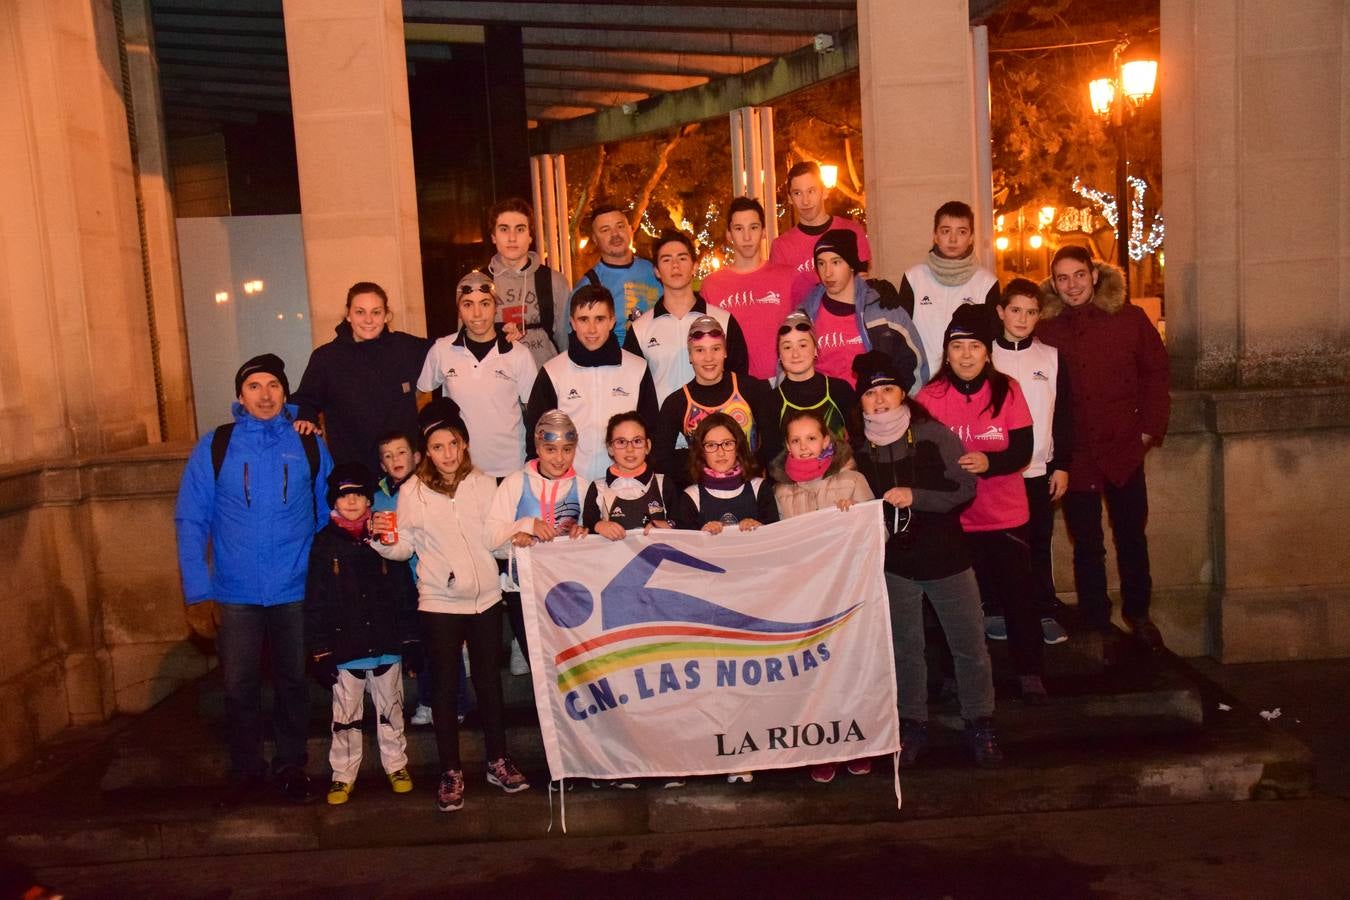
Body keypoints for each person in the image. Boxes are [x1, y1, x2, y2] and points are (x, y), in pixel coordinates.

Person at [174, 353, 333, 806]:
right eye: (254, 387)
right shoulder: (216, 446)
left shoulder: (308, 445)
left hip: (294, 588)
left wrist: (321, 582)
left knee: (292, 683)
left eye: (274, 387)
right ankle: (245, 768)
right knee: (239, 685)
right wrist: (197, 591)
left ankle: (290, 765)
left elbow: (326, 514)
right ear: (240, 396)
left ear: (285, 394)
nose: (265, 395)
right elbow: (191, 519)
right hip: (235, 591)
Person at [372, 398, 531, 812]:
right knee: (443, 691)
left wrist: (525, 530)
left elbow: (494, 536)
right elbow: (405, 545)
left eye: (453, 445)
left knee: (489, 684)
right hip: (440, 602)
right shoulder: (413, 490)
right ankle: (451, 771)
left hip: (486, 600)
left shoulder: (482, 482)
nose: (447, 453)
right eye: (438, 447)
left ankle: (498, 760)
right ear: (428, 451)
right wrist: (383, 542)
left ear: (463, 446)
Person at [850, 351, 1001, 769]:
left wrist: (918, 498)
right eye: (870, 394)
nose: (879, 401)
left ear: (903, 394)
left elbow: (964, 488)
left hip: (947, 560)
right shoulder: (857, 448)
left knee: (969, 646)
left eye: (887, 391)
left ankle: (980, 720)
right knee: (905, 650)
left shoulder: (934, 434)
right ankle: (912, 722)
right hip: (895, 566)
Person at [1037, 246, 1171, 648]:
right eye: (1062, 278)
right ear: (1053, 284)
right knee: (1087, 543)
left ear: (1094, 275)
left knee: (1132, 535)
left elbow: (1156, 374)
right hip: (1075, 455)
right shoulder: (1047, 329)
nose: (1072, 285)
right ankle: (1096, 620)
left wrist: (1148, 432)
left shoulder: (1129, 319)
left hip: (1123, 449)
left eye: (1079, 275)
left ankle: (1139, 614)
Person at [917, 305, 1046, 702]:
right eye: (958, 347)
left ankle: (1029, 671)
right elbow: (920, 458)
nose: (967, 355)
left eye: (975, 346)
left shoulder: (1008, 389)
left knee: (1019, 599)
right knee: (950, 607)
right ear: (947, 352)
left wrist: (990, 462)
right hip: (952, 522)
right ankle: (954, 674)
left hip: (1004, 515)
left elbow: (1024, 450)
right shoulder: (929, 396)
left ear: (987, 352)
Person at [769, 407, 875, 783]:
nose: (804, 447)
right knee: (815, 674)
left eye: (811, 438)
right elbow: (781, 548)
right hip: (807, 598)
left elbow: (880, 538)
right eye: (795, 441)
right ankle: (822, 747)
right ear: (787, 445)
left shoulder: (852, 482)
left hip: (848, 595)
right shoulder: (781, 491)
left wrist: (854, 519)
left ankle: (857, 743)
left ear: (827, 440)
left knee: (850, 670)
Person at [304, 462, 419, 806]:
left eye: (358, 495)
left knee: (391, 709)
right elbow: (316, 599)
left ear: (369, 499)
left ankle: (396, 764)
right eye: (344, 496)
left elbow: (403, 590)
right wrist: (320, 650)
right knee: (346, 716)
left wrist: (411, 638)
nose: (351, 502)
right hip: (345, 647)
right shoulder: (324, 544)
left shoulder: (384, 538)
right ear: (333, 502)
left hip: (386, 643)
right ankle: (343, 773)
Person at [991, 278, 1073, 645]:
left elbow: (1065, 416)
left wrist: (1063, 465)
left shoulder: (1052, 358)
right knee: (996, 546)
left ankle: (1042, 611)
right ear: (1001, 312)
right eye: (1015, 310)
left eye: (1030, 312)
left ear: (1039, 315)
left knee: (1039, 543)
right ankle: (994, 609)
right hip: (995, 472)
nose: (1022, 318)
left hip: (1039, 470)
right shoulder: (985, 356)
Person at [525, 284, 659, 482]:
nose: (592, 329)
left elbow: (651, 432)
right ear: (572, 323)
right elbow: (536, 437)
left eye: (600, 319)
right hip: (568, 485)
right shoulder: (553, 371)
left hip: (624, 485)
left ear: (612, 321)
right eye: (583, 319)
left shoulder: (637, 368)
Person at [291, 281, 430, 472]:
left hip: (403, 474)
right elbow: (305, 400)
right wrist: (306, 417)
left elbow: (447, 350)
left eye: (376, 312)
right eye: (360, 312)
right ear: (348, 314)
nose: (368, 320)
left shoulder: (405, 348)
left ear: (386, 315)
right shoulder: (327, 358)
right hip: (354, 478)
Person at [652, 315, 782, 487]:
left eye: (715, 349)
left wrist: (755, 475)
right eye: (700, 350)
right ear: (690, 355)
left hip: (750, 489)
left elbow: (773, 444)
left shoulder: (753, 389)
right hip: (703, 496)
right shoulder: (676, 403)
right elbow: (661, 461)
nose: (709, 358)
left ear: (726, 351)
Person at [624, 230, 750, 403]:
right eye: (666, 260)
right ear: (657, 271)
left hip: (715, 426)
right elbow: (632, 389)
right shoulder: (640, 329)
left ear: (694, 266)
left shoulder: (723, 321)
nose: (675, 265)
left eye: (682, 258)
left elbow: (739, 380)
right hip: (662, 428)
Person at [799, 230, 926, 389]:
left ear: (852, 266)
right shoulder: (805, 315)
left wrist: (905, 406)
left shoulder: (884, 310)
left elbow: (915, 364)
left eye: (836, 262)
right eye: (821, 263)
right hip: (826, 409)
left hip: (876, 408)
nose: (827, 272)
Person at [896, 201, 1001, 380]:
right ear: (935, 235)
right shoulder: (914, 278)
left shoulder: (987, 282)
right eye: (945, 231)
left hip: (970, 382)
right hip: (922, 383)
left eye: (961, 231)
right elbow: (901, 337)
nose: (953, 239)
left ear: (971, 237)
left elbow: (992, 343)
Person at [700, 197, 796, 379]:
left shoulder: (787, 277)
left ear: (764, 232)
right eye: (738, 229)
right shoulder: (712, 285)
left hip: (781, 382)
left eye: (753, 227)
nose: (746, 237)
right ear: (729, 235)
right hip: (733, 386)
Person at [769, 160, 872, 304]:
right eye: (797, 193)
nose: (805, 201)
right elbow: (780, 299)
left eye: (811, 191)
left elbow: (861, 284)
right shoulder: (781, 247)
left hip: (849, 320)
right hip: (805, 323)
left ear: (824, 191)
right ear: (790, 199)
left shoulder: (851, 231)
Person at [485, 197, 571, 366]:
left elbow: (566, 342)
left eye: (520, 229)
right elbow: (466, 345)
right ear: (493, 237)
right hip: (497, 385)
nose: (512, 237)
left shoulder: (554, 282)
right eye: (504, 229)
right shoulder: (480, 284)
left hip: (546, 382)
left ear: (530, 236)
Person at [572, 203, 662, 345]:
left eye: (620, 226)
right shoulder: (589, 285)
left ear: (631, 230)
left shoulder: (656, 270)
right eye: (605, 230)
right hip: (619, 363)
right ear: (594, 239)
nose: (615, 234)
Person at [673, 412, 778, 533]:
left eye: (727, 443)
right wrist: (701, 535)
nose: (721, 453)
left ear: (738, 447)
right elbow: (686, 547)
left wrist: (760, 529)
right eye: (711, 445)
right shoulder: (691, 496)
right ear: (701, 452)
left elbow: (775, 540)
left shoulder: (760, 488)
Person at [582, 411, 680, 538]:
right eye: (621, 442)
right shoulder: (598, 487)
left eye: (637, 441)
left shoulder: (664, 484)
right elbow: (587, 526)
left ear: (647, 446)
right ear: (610, 448)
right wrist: (598, 526)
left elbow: (681, 523)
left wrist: (667, 525)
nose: (630, 449)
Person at [774, 310, 858, 443]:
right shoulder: (770, 402)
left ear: (815, 349)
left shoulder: (840, 390)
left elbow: (859, 442)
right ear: (779, 354)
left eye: (802, 345)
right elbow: (773, 458)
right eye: (787, 347)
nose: (795, 354)